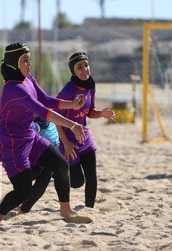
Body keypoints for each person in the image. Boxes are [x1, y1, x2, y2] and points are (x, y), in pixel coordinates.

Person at [0, 43, 88, 224]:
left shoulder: (28, 80)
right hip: (11, 143)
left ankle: (66, 211)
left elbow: (46, 100)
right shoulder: (14, 88)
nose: (30, 64)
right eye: (25, 60)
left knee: (60, 165)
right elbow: (44, 111)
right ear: (13, 64)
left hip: (29, 136)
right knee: (23, 191)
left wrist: (72, 104)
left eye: (29, 60)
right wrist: (72, 124)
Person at [55, 51, 116, 208]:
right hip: (69, 142)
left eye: (86, 65)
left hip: (85, 139)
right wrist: (66, 143)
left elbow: (90, 112)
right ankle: (58, 174)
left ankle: (90, 208)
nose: (84, 70)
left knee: (92, 177)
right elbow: (55, 119)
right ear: (73, 71)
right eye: (80, 67)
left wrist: (101, 113)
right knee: (77, 182)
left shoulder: (91, 85)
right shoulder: (68, 90)